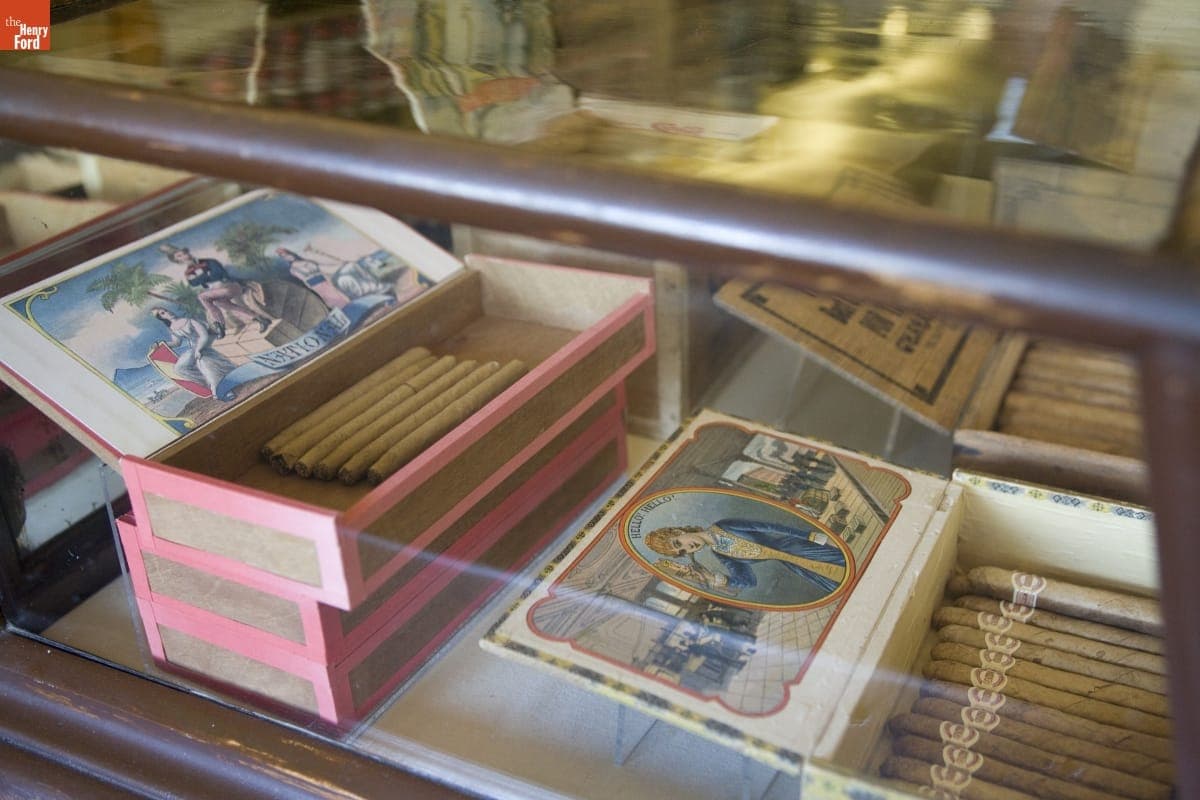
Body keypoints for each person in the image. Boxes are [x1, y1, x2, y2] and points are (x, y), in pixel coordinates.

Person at [645, 518, 847, 598]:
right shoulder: (719, 553)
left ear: (679, 530)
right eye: (681, 552)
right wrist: (719, 579)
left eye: (678, 543)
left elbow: (770, 526)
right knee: (842, 585)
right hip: (796, 566)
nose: (687, 548)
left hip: (798, 547)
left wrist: (813, 536)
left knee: (847, 563)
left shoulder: (725, 525)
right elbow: (749, 581)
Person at [159, 243, 271, 338]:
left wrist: (202, 276)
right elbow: (193, 283)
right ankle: (260, 319)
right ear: (178, 261)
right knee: (229, 306)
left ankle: (219, 326)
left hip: (229, 286)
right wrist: (205, 275)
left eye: (184, 253)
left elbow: (218, 274)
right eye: (180, 256)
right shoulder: (188, 272)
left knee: (202, 297)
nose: (185, 256)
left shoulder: (209, 262)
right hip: (216, 294)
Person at [151, 306, 236, 397]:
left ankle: (219, 388)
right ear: (162, 318)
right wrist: (161, 345)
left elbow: (204, 335)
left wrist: (199, 349)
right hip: (193, 348)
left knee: (204, 363)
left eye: (166, 310)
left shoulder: (189, 321)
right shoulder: (172, 328)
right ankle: (207, 383)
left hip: (204, 344)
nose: (168, 313)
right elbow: (176, 343)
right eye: (163, 313)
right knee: (179, 368)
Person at [276, 247, 349, 309]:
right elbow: (304, 277)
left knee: (337, 295)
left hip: (323, 280)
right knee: (330, 299)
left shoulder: (305, 260)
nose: (287, 257)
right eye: (284, 257)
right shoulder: (293, 269)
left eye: (287, 255)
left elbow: (320, 267)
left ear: (291, 254)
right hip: (315, 285)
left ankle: (347, 307)